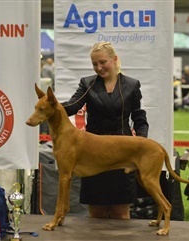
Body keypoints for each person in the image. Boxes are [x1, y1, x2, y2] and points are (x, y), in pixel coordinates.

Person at [62, 41, 149, 219]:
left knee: (121, 212)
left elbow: (139, 118)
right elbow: (71, 106)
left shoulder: (132, 85)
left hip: (122, 154)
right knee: (96, 212)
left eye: (103, 62)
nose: (99, 68)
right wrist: (48, 105)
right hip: (93, 154)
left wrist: (141, 144)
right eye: (95, 64)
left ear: (114, 59)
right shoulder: (87, 84)